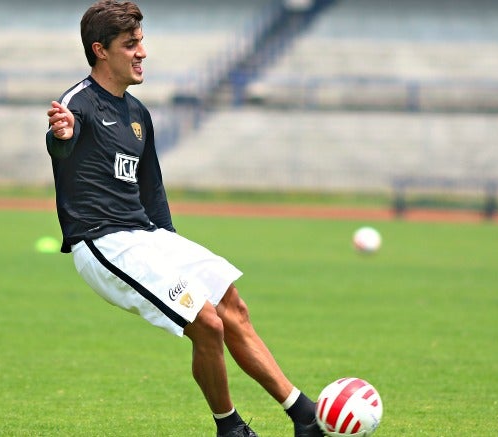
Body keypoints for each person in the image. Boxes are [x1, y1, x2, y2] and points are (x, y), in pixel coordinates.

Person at [45, 2, 323, 436]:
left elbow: (152, 192)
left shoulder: (138, 115)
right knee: (207, 324)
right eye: (130, 44)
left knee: (232, 305)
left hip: (148, 236)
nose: (142, 52)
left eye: (141, 42)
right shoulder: (76, 103)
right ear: (101, 51)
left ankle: (303, 415)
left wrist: (171, 249)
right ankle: (230, 428)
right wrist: (60, 136)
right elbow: (62, 142)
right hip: (103, 242)